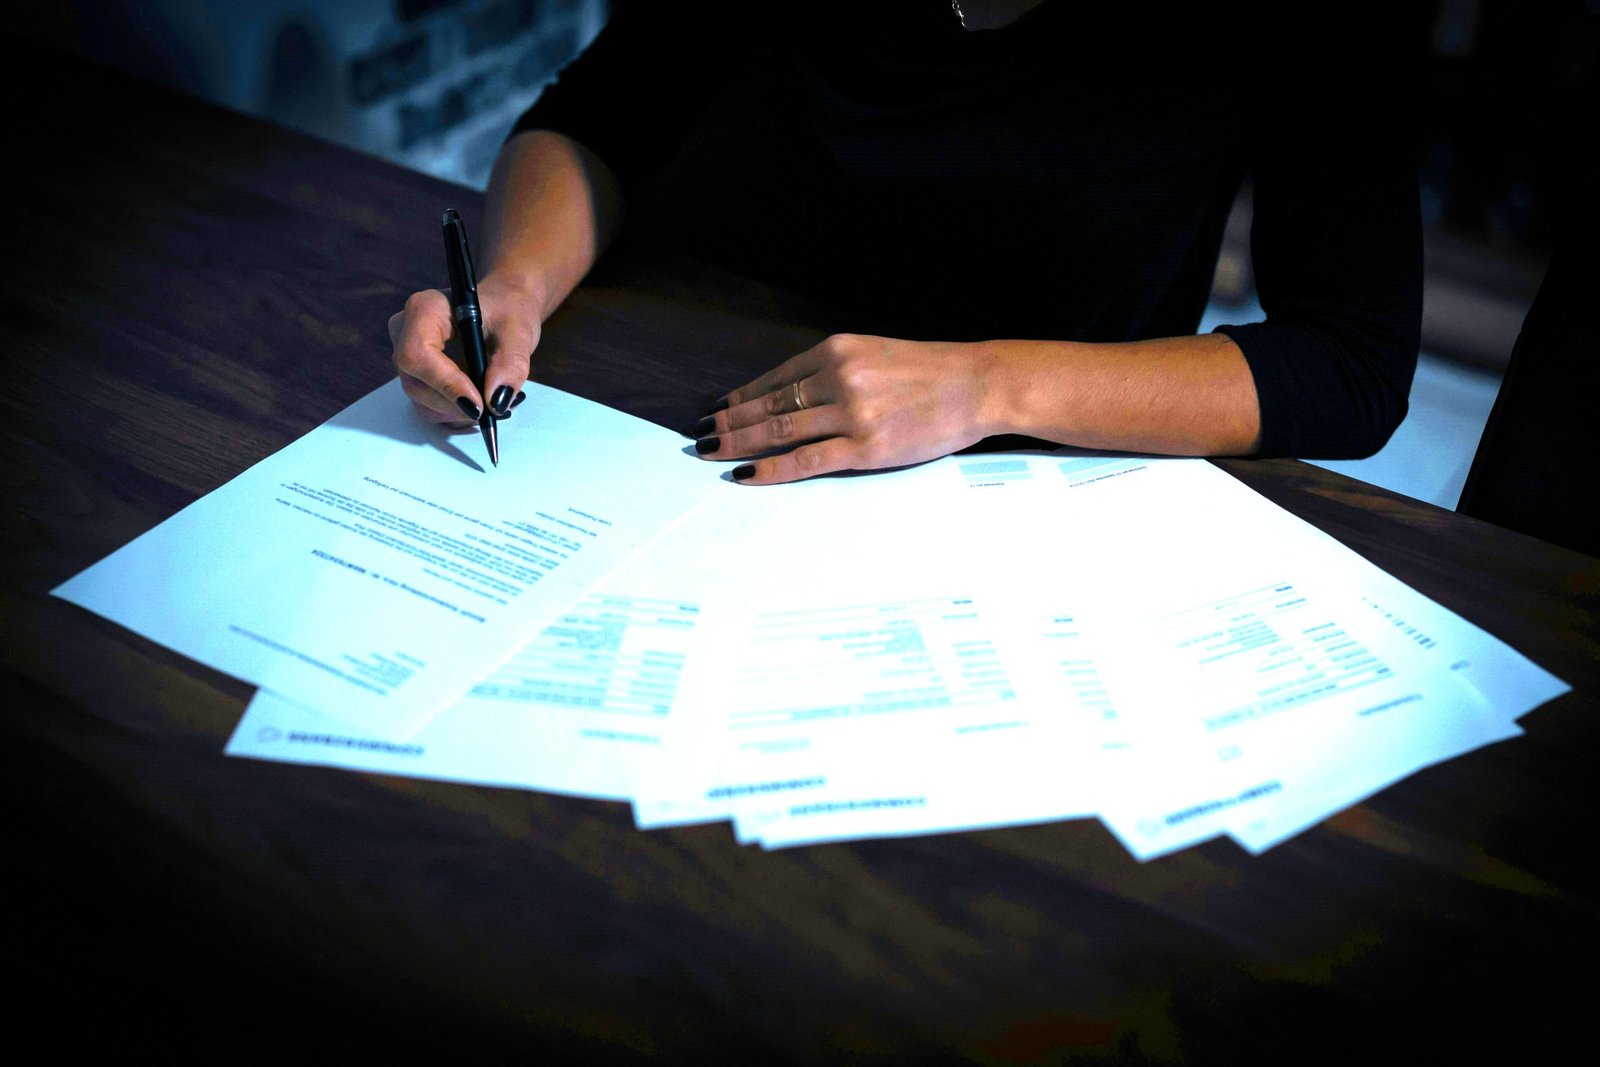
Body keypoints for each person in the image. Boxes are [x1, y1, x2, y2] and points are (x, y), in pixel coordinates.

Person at [391, 0, 1423, 485]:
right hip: (660, 409)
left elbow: (1350, 363)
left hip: (1029, 482)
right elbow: (597, 118)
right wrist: (516, 285)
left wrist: (986, 386)